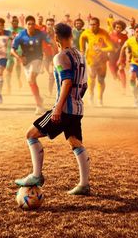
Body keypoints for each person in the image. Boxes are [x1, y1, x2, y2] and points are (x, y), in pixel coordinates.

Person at [14, 23, 90, 196]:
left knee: (31, 134)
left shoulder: (60, 56)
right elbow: (84, 84)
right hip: (77, 109)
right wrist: (76, 98)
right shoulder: (81, 55)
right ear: (71, 36)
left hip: (64, 109)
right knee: (74, 141)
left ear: (56, 38)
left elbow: (67, 82)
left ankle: (36, 175)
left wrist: (58, 108)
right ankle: (84, 185)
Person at [11, 15, 50, 115]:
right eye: (29, 24)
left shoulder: (40, 33)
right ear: (26, 25)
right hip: (26, 61)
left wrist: (55, 52)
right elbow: (12, 50)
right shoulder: (20, 35)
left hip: (38, 59)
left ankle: (39, 106)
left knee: (31, 78)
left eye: (33, 24)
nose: (31, 26)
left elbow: (51, 42)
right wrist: (19, 58)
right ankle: (39, 99)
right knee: (31, 81)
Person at [80, 17, 113, 106]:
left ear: (98, 25)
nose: (92, 26)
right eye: (91, 24)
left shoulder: (104, 33)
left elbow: (111, 47)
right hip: (91, 60)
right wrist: (82, 50)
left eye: (94, 24)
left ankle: (100, 99)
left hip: (102, 61)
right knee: (91, 78)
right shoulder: (86, 32)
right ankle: (91, 96)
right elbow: (82, 38)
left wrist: (101, 49)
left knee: (101, 80)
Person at [109, 20, 128, 92]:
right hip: (112, 57)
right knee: (114, 76)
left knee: (121, 69)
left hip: (121, 56)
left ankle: (124, 88)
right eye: (117, 27)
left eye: (120, 28)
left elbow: (127, 46)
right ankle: (118, 81)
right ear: (114, 27)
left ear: (122, 28)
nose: (118, 29)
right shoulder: (110, 35)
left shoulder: (124, 36)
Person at [6, 16, 24, 94]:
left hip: (18, 50)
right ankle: (8, 85)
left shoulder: (22, 30)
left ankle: (18, 78)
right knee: (8, 68)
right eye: (13, 21)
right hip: (9, 50)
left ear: (18, 22)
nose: (14, 23)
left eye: (16, 21)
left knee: (18, 64)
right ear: (11, 22)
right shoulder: (7, 30)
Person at [42, 18, 58, 96]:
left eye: (52, 24)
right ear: (46, 25)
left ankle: (50, 92)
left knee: (52, 74)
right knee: (50, 73)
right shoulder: (42, 34)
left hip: (55, 57)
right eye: (48, 24)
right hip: (45, 57)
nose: (50, 26)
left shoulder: (57, 35)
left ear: (54, 25)